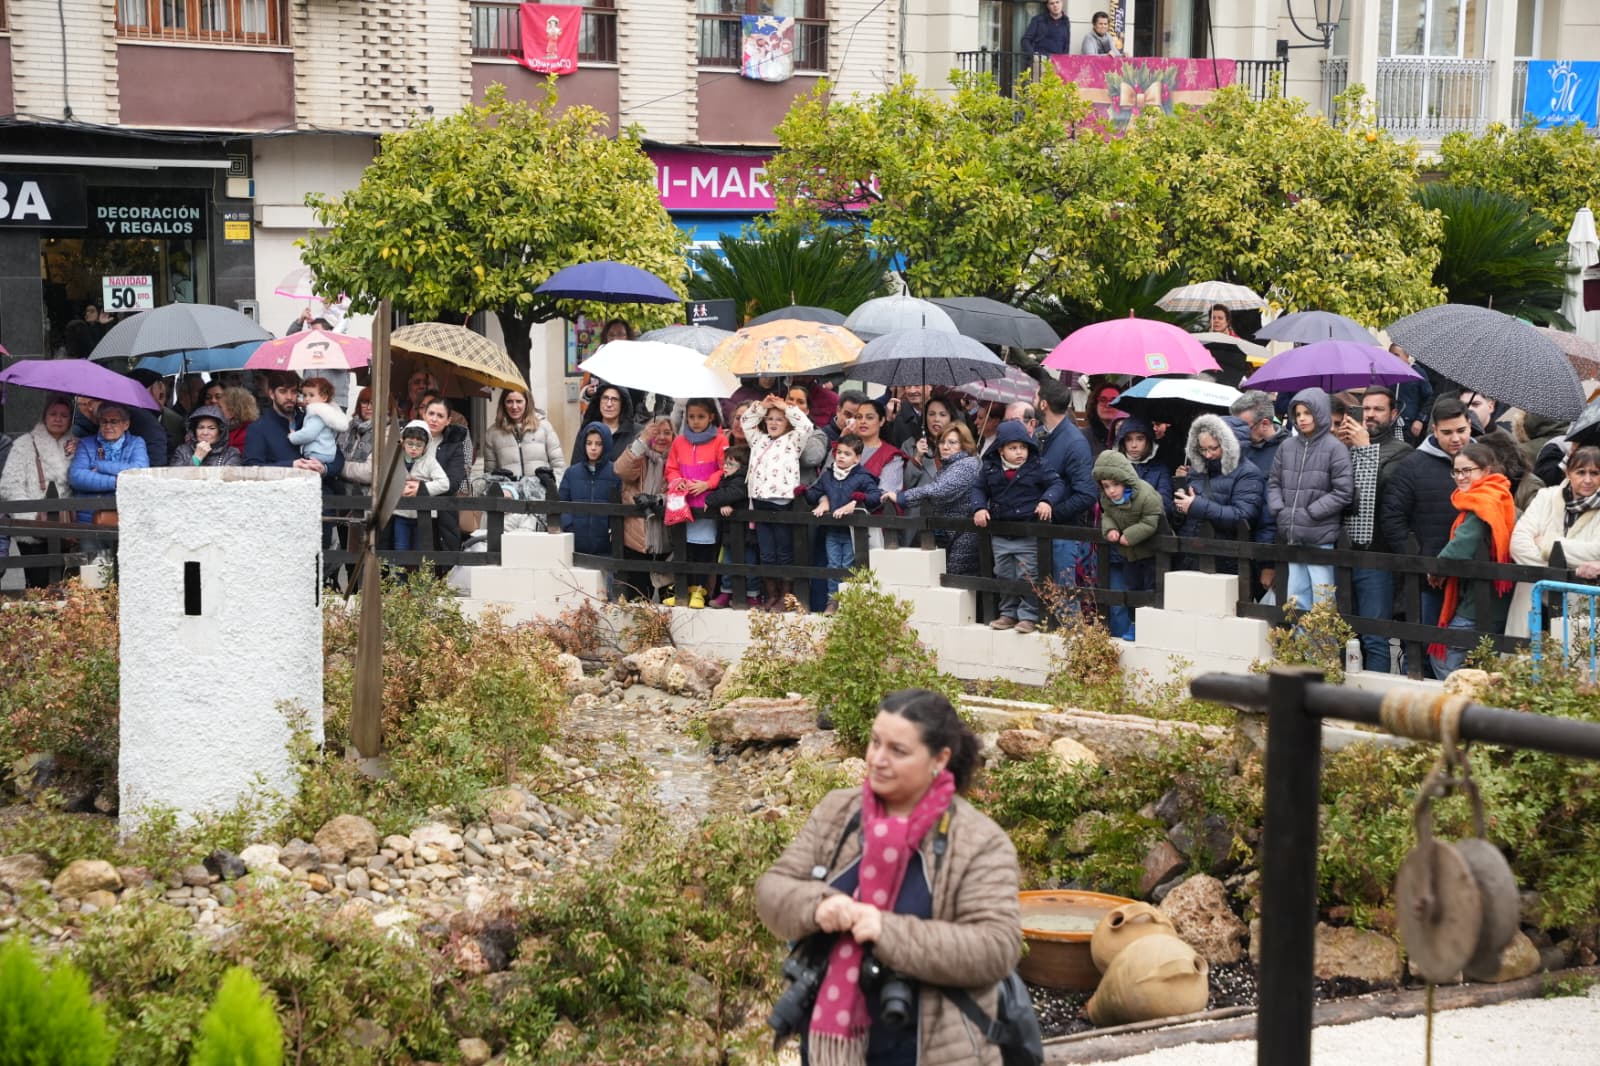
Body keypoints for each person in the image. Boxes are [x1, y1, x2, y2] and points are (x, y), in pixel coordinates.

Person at [755, 689, 1021, 1066]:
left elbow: (996, 947)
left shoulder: (980, 842)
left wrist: (885, 930)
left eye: (898, 750)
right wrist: (818, 906)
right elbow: (772, 890)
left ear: (939, 758)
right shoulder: (838, 813)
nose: (877, 759)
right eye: (875, 742)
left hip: (936, 1052)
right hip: (825, 1047)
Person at [1380, 395, 1476, 660]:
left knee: (1473, 650)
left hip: (1474, 575)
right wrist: (1420, 563)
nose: (1455, 438)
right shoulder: (1412, 465)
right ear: (1434, 430)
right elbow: (1393, 519)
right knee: (1424, 649)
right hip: (1428, 579)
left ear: (1470, 424)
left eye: (1461, 430)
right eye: (1447, 432)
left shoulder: (1485, 462)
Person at [1334, 387, 1413, 672]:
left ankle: (1371, 701)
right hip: (1341, 551)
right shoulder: (1341, 446)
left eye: (1378, 409)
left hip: (1377, 555)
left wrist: (1365, 449)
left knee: (1374, 637)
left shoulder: (1402, 452)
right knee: (1341, 633)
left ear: (1393, 414)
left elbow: (1376, 496)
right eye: (1365, 409)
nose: (1369, 415)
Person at [1429, 442, 1516, 677]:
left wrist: (1436, 569)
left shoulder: (1483, 502)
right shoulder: (1499, 495)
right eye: (1456, 471)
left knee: (1444, 655)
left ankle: (1461, 705)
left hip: (1481, 599)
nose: (1460, 477)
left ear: (1486, 471)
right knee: (1483, 661)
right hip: (1495, 596)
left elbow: (1460, 546)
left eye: (1467, 470)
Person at [973, 420, 1065, 634]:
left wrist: (1046, 501)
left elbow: (1057, 484)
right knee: (1003, 573)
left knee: (1029, 575)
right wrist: (978, 508)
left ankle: (1029, 616)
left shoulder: (1037, 465)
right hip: (1001, 533)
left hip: (1028, 532)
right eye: (1013, 448)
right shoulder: (989, 468)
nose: (1019, 452)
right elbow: (978, 489)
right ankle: (1008, 613)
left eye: (1023, 447)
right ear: (1001, 450)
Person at [1267, 388, 1354, 611]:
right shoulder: (1286, 446)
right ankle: (1301, 646)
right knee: (1297, 597)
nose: (1302, 418)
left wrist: (1311, 512)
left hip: (1320, 534)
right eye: (1298, 413)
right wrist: (1280, 509)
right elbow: (1273, 482)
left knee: (1322, 598)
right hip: (1292, 534)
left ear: (1320, 413)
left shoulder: (1335, 448)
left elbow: (1343, 491)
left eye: (1308, 412)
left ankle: (1322, 647)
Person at [1506, 446, 1600, 638]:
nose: (1588, 480)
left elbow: (1596, 551)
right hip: (1534, 596)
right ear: (1568, 472)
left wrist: (1547, 544)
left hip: (1579, 600)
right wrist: (1562, 571)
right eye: (1581, 472)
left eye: (1595, 473)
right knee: (1523, 660)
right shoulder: (1546, 496)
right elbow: (1518, 543)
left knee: (1572, 660)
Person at [883, 423, 984, 577]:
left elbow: (939, 490)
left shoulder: (966, 464)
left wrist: (902, 497)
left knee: (958, 586)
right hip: (951, 534)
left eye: (952, 442)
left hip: (964, 536)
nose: (945, 446)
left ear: (964, 445)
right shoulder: (950, 465)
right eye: (942, 442)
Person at [743, 394, 814, 611]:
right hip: (760, 499)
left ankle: (785, 596)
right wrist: (761, 406)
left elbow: (807, 426)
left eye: (779, 419)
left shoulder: (793, 439)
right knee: (766, 553)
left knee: (784, 551)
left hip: (783, 500)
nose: (773, 423)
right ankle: (771, 594)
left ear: (787, 423)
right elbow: (745, 422)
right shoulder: (758, 439)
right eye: (770, 418)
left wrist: (787, 407)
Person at [0, 396, 77, 588]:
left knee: (67, 583)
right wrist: (30, 516)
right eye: (53, 414)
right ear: (44, 416)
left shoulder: (76, 446)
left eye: (64, 415)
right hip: (32, 528)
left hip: (66, 527)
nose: (58, 419)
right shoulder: (24, 444)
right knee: (38, 584)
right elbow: (9, 485)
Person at [1173, 414, 1265, 573]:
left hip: (1226, 559)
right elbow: (1180, 516)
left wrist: (1196, 505)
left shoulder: (1248, 473)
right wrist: (1180, 505)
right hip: (1189, 555)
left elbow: (1243, 516)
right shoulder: (1197, 470)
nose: (1207, 455)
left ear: (1229, 445)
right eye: (1202, 449)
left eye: (1213, 448)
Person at [1035, 378, 1100, 601]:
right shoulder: (1041, 435)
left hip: (1064, 534)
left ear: (1043, 404)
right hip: (1040, 531)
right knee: (1041, 599)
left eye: (1036, 397)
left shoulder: (1074, 441)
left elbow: (1087, 494)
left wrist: (1053, 513)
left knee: (1065, 601)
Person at [806, 433, 882, 614]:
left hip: (852, 532)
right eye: (838, 452)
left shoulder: (863, 477)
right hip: (832, 530)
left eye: (847, 454)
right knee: (833, 565)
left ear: (857, 457)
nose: (840, 456)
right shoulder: (828, 475)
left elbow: (876, 497)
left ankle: (847, 601)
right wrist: (819, 500)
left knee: (848, 565)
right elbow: (814, 493)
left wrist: (857, 501)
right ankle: (832, 601)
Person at [663, 398, 728, 610]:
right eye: (691, 417)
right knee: (684, 548)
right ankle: (683, 588)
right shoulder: (679, 442)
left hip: (705, 504)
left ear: (711, 416)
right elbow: (671, 468)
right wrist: (677, 481)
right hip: (682, 504)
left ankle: (700, 589)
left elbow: (724, 468)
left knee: (704, 548)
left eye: (701, 416)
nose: (695, 421)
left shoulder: (720, 441)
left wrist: (707, 484)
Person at [1095, 449, 1164, 640]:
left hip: (1152, 552)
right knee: (1132, 589)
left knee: (1152, 589)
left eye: (1115, 484)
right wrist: (1110, 530)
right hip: (1130, 554)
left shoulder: (1146, 495)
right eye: (1106, 486)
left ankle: (1153, 627)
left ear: (1126, 479)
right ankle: (1135, 624)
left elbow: (1151, 520)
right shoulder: (1107, 499)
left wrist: (1130, 535)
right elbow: (1107, 515)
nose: (1111, 491)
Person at [613, 415, 674, 602]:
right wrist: (643, 440)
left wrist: (660, 500)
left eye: (667, 433)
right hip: (637, 543)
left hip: (668, 543)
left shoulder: (677, 460)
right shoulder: (639, 457)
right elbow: (621, 469)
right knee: (638, 601)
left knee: (670, 604)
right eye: (657, 432)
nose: (662, 437)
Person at [69, 403, 150, 523]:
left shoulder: (136, 443)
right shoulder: (86, 444)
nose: (108, 426)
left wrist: (99, 466)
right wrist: (115, 482)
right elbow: (76, 477)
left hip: (127, 517)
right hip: (89, 517)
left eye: (114, 421)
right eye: (104, 421)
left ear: (126, 424)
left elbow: (139, 471)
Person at [413, 397, 471, 554]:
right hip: (409, 512)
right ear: (423, 414)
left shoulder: (454, 444)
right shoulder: (409, 438)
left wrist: (421, 488)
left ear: (448, 420)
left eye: (440, 416)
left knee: (440, 562)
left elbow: (454, 481)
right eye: (431, 413)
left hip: (442, 513)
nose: (434, 419)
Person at [559, 422, 622, 565]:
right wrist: (570, 527)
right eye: (589, 443)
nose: (593, 448)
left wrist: (611, 529)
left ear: (606, 445)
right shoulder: (572, 473)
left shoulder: (615, 472)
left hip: (606, 547)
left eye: (598, 444)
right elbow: (561, 504)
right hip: (575, 544)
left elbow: (620, 505)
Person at [706, 444, 758, 609]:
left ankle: (752, 594)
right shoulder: (725, 480)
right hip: (730, 533)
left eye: (731, 464)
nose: (726, 467)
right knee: (728, 562)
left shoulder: (742, 481)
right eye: (725, 463)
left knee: (749, 563)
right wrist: (722, 503)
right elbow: (722, 494)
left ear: (742, 467)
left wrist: (715, 500)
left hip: (747, 532)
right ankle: (726, 592)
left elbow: (733, 494)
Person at [482, 389, 567, 483]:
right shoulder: (493, 433)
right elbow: (489, 475)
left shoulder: (544, 427)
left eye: (519, 401)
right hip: (509, 494)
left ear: (527, 403)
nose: (514, 407)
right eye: (509, 401)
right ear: (503, 404)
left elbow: (559, 466)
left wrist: (553, 486)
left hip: (542, 493)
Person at [391, 421, 450, 553]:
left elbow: (444, 483)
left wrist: (421, 488)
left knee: (421, 550)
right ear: (403, 442)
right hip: (401, 513)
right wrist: (400, 488)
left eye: (419, 445)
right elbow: (387, 481)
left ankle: (419, 574)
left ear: (426, 446)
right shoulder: (395, 460)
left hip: (424, 514)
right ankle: (399, 574)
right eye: (410, 444)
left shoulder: (430, 461)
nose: (413, 448)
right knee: (400, 548)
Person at [901, 396, 961, 492]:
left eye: (942, 414)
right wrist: (917, 458)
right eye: (931, 414)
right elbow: (905, 485)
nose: (936, 419)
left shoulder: (962, 444)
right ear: (925, 418)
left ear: (951, 418)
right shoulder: (909, 445)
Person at [287, 376, 349, 468]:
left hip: (316, 453)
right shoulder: (328, 412)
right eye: (304, 395)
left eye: (311, 395)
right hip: (327, 453)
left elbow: (308, 434)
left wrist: (292, 436)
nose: (307, 399)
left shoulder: (317, 413)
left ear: (324, 397)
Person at [1114, 417, 1173, 513]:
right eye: (1128, 439)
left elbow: (1164, 504)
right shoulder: (1115, 466)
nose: (1134, 445)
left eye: (1140, 439)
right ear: (1122, 442)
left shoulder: (1160, 469)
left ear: (1148, 441)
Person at [575, 384, 637, 463]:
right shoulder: (588, 429)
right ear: (599, 401)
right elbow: (576, 463)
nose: (609, 404)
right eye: (605, 398)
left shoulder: (636, 432)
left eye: (614, 399)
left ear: (623, 404)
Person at [170, 405, 242, 467]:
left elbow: (228, 480)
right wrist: (196, 459)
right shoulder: (182, 452)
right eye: (201, 427)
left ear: (220, 431)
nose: (205, 432)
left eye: (211, 428)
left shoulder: (231, 454)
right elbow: (177, 480)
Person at [1080, 380, 1126, 457]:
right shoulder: (1083, 438)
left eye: (1114, 400)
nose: (1108, 404)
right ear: (1095, 405)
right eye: (1103, 400)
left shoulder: (1130, 436)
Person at [219, 386, 259, 453]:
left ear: (231, 411)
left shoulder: (249, 435)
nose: (215, 410)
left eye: (219, 407)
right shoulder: (227, 429)